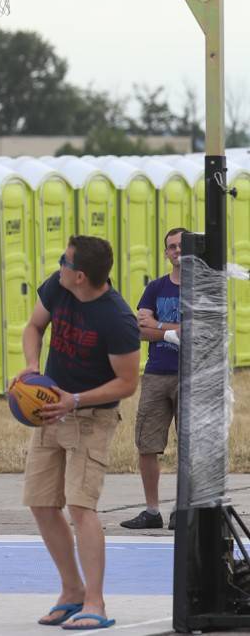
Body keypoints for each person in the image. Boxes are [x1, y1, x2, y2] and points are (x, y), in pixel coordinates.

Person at [16, 235, 140, 630]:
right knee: (41, 503)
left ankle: (95, 602)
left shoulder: (117, 319)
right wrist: (32, 368)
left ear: (81, 275)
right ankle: (71, 592)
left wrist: (76, 399)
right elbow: (34, 326)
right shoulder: (58, 286)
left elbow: (126, 383)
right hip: (51, 412)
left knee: (80, 507)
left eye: (64, 262)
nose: (59, 265)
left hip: (91, 419)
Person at [120, 227, 188, 532]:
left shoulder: (202, 288)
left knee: (189, 445)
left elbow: (197, 332)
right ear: (166, 253)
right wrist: (174, 332)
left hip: (190, 376)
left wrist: (160, 326)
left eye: (181, 246)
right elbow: (139, 329)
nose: (176, 251)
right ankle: (151, 510)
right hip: (156, 373)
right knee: (147, 444)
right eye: (171, 247)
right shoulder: (155, 288)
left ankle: (182, 509)